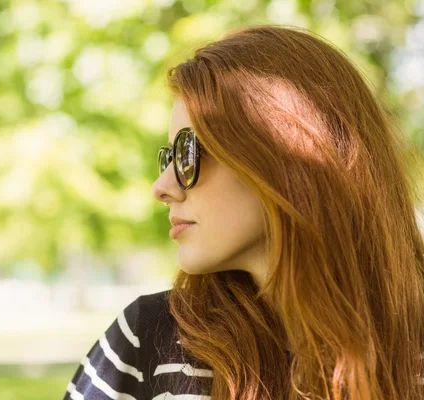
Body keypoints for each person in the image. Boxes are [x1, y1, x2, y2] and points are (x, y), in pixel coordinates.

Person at [62, 24, 424, 400]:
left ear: (283, 156)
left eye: (186, 153)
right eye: (167, 158)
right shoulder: (145, 341)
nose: (162, 187)